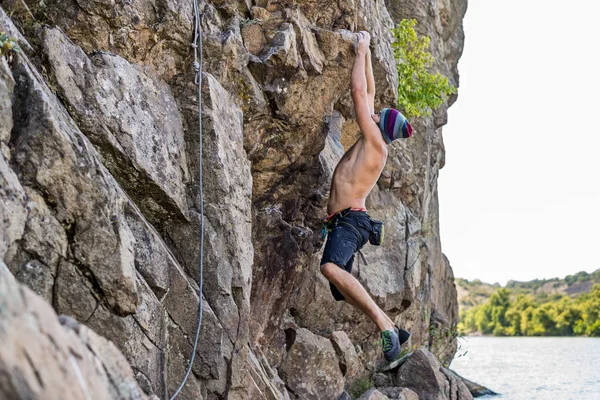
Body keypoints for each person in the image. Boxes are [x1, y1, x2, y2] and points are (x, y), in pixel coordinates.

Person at [319, 31, 413, 361]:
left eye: (376, 114)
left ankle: (385, 327)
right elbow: (370, 91)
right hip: (345, 221)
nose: (371, 112)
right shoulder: (374, 138)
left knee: (330, 268)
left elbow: (360, 92)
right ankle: (393, 327)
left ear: (380, 125)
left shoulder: (376, 145)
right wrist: (368, 48)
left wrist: (359, 52)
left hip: (351, 222)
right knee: (337, 281)